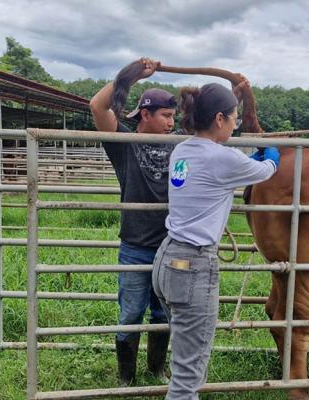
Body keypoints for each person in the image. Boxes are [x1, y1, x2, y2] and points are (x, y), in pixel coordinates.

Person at [152, 82, 280, 399]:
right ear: (220, 118)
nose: (237, 124)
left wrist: (246, 158)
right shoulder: (222, 158)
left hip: (166, 261)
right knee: (188, 376)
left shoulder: (182, 150)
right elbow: (265, 171)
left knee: (186, 354)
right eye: (235, 118)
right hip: (193, 267)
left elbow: (220, 169)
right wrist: (272, 156)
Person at [89, 57, 176, 386]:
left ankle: (155, 369)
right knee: (130, 313)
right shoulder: (123, 142)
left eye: (173, 117)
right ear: (145, 114)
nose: (171, 123)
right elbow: (97, 106)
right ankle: (126, 377)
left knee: (163, 313)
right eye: (166, 116)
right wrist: (130, 75)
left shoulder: (178, 144)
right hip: (136, 246)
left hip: (170, 246)